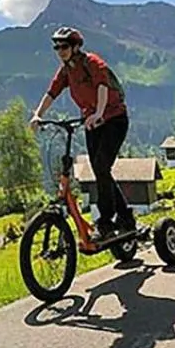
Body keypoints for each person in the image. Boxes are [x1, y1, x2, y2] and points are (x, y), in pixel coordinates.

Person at [31, 26, 135, 242]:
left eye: (64, 46)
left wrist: (99, 112)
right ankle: (126, 217)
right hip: (92, 123)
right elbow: (52, 92)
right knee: (101, 171)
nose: (60, 50)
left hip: (114, 119)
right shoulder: (66, 71)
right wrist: (37, 115)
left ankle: (105, 222)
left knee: (100, 166)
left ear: (76, 46)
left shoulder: (92, 62)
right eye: (56, 47)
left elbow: (102, 87)